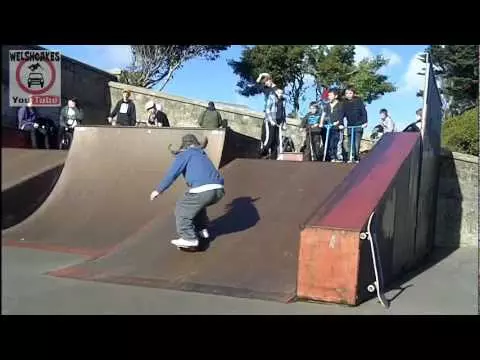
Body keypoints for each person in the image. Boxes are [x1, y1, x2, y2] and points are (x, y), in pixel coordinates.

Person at [150, 134, 225, 249]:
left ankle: (188, 237)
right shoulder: (202, 154)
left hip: (203, 189)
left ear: (184, 146)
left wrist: (158, 190)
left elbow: (172, 174)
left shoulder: (185, 154)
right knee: (197, 204)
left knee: (182, 206)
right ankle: (202, 230)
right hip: (218, 190)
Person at [256, 73, 284, 160]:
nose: (266, 84)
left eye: (267, 82)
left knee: (276, 141)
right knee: (268, 138)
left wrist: (283, 120)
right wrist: (261, 76)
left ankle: (273, 158)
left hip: (278, 117)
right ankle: (261, 154)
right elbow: (257, 85)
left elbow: (282, 104)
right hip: (270, 116)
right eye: (265, 83)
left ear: (270, 80)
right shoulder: (266, 90)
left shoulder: (277, 89)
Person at [343, 86, 368, 162]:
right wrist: (340, 123)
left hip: (359, 124)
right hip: (350, 125)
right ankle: (350, 157)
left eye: (350, 93)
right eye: (347, 93)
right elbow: (342, 113)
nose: (348, 95)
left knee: (356, 143)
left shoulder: (358, 101)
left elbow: (364, 112)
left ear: (353, 93)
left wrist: (365, 122)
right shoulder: (344, 102)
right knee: (350, 143)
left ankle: (356, 158)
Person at [322, 88, 344, 162]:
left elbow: (341, 115)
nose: (329, 97)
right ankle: (331, 157)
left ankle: (337, 157)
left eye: (330, 95)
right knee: (329, 143)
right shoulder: (327, 105)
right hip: (329, 127)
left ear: (336, 96)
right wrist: (321, 123)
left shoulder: (340, 105)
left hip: (337, 127)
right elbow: (324, 114)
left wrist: (339, 122)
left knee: (336, 142)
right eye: (328, 95)